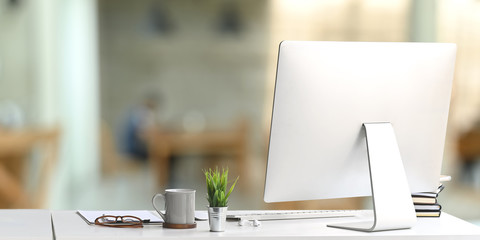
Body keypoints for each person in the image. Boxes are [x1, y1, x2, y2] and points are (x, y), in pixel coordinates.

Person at [121, 94, 160, 161]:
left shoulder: (139, 111)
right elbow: (142, 134)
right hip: (132, 149)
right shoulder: (141, 113)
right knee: (160, 153)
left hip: (131, 147)